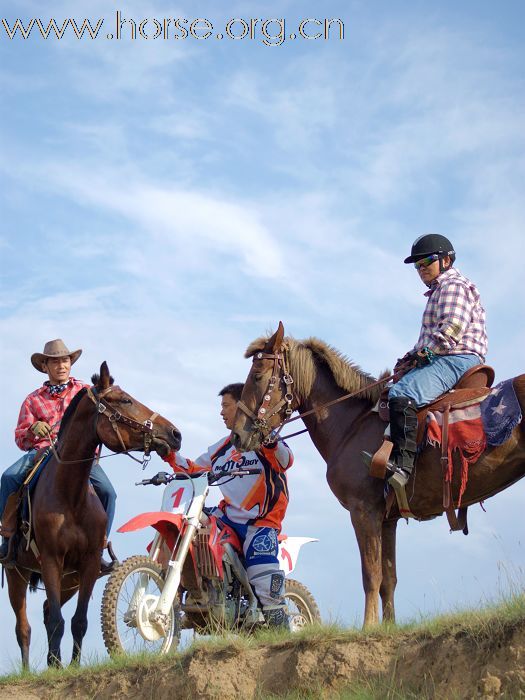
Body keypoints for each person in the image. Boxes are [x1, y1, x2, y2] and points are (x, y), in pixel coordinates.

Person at [163, 382, 294, 628]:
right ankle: (198, 593)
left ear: (242, 405)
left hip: (260, 522)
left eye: (226, 405)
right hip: (228, 518)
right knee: (191, 525)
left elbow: (286, 460)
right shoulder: (221, 448)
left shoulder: (265, 439)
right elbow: (193, 469)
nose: (221, 412)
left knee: (265, 583)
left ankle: (282, 634)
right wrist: (167, 454)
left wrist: (269, 440)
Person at [0, 339, 117, 566]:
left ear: (70, 363)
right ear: (45, 366)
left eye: (65, 360)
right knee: (8, 477)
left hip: (82, 458)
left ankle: (98, 547)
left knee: (109, 493)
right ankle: (8, 537)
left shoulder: (85, 392)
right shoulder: (33, 400)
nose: (61, 366)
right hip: (44, 453)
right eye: (55, 362)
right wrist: (33, 429)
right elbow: (20, 437)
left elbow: (103, 413)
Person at [384, 234, 488, 489]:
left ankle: (402, 467)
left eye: (426, 262)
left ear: (446, 260)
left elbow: (452, 327)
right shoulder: (439, 290)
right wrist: (411, 356)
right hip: (449, 355)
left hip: (456, 357)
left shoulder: (452, 285)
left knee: (402, 393)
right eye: (417, 266)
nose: (421, 270)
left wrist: (427, 352)